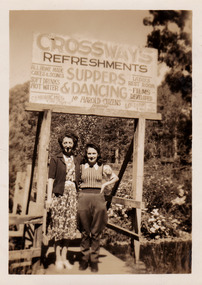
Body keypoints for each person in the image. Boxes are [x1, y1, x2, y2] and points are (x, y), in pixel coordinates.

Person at [77, 143, 119, 273]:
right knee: (84, 231)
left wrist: (105, 184)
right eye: (89, 153)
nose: (91, 156)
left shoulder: (103, 167)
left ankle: (94, 261)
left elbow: (115, 178)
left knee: (96, 231)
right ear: (86, 154)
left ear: (98, 154)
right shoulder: (81, 166)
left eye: (94, 153)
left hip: (98, 198)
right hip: (84, 197)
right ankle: (84, 259)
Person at [46, 131, 81, 271]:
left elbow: (93, 162)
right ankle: (58, 258)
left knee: (69, 227)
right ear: (61, 144)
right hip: (59, 195)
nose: (67, 145)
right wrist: (49, 198)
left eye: (70, 143)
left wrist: (106, 169)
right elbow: (50, 179)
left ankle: (65, 257)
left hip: (73, 196)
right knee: (58, 227)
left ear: (74, 144)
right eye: (65, 143)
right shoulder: (56, 158)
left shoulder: (77, 159)